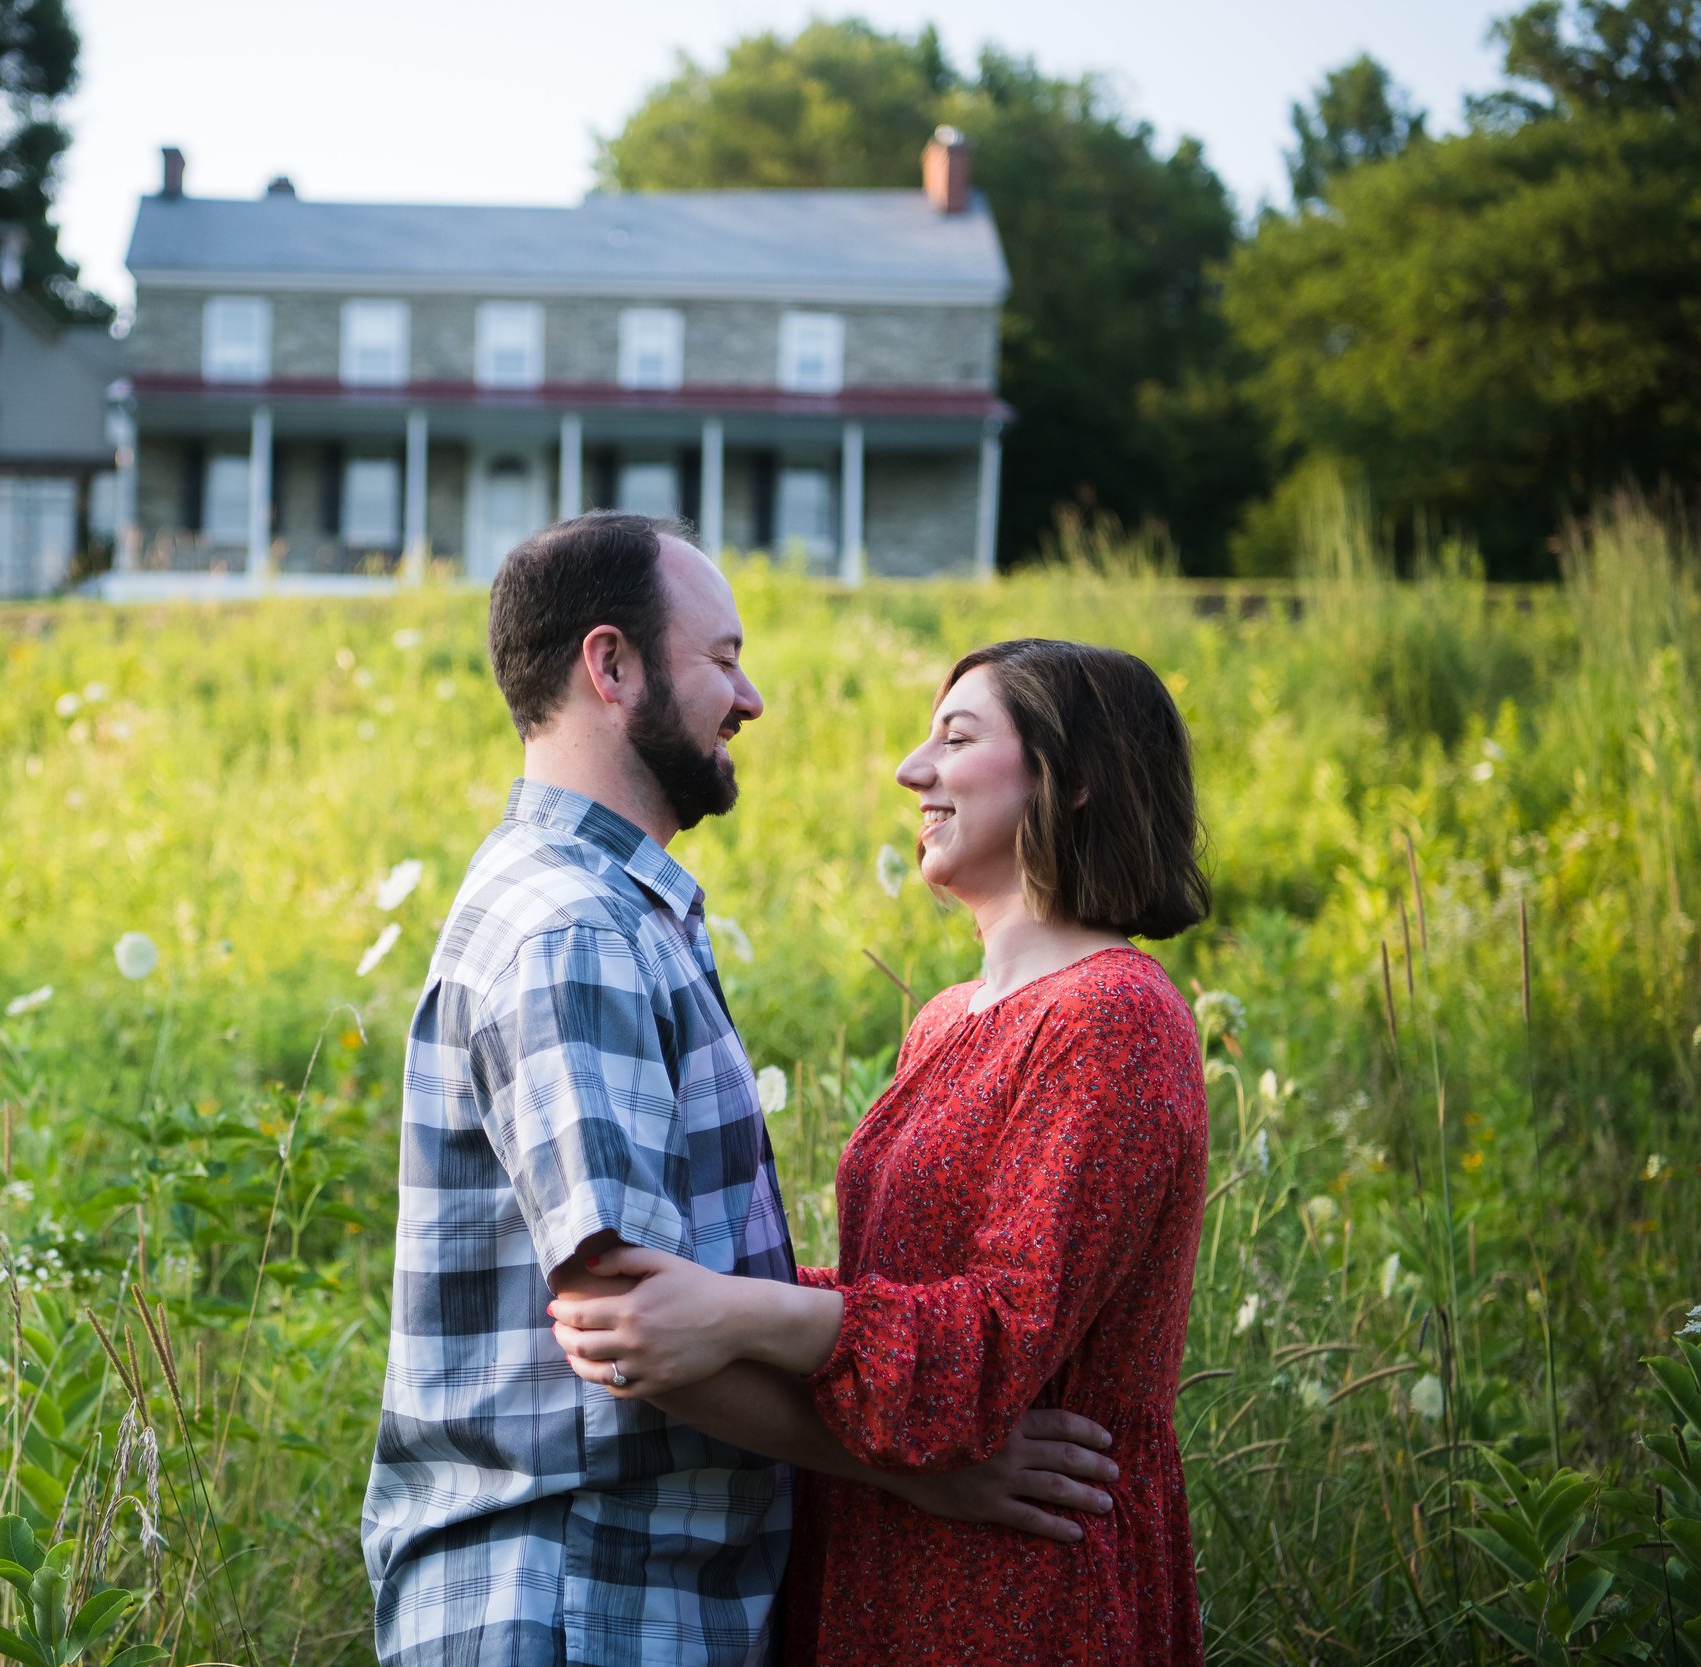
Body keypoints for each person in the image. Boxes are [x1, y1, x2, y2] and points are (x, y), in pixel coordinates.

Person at [361, 522, 1131, 1667]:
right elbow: (636, 1329)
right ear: (610, 665)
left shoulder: (614, 912)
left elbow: (694, 1302)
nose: (750, 696)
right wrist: (926, 1467)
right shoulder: (573, 930)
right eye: (721, 657)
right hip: (580, 1593)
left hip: (626, 1592)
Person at [549, 636, 1213, 1666]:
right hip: (892, 1548)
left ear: (1074, 779)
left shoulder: (1114, 1017)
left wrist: (737, 1309)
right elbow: (891, 1290)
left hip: (1021, 1582)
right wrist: (701, 1289)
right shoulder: (949, 1019)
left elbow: (995, 1343)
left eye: (957, 737)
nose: (913, 770)